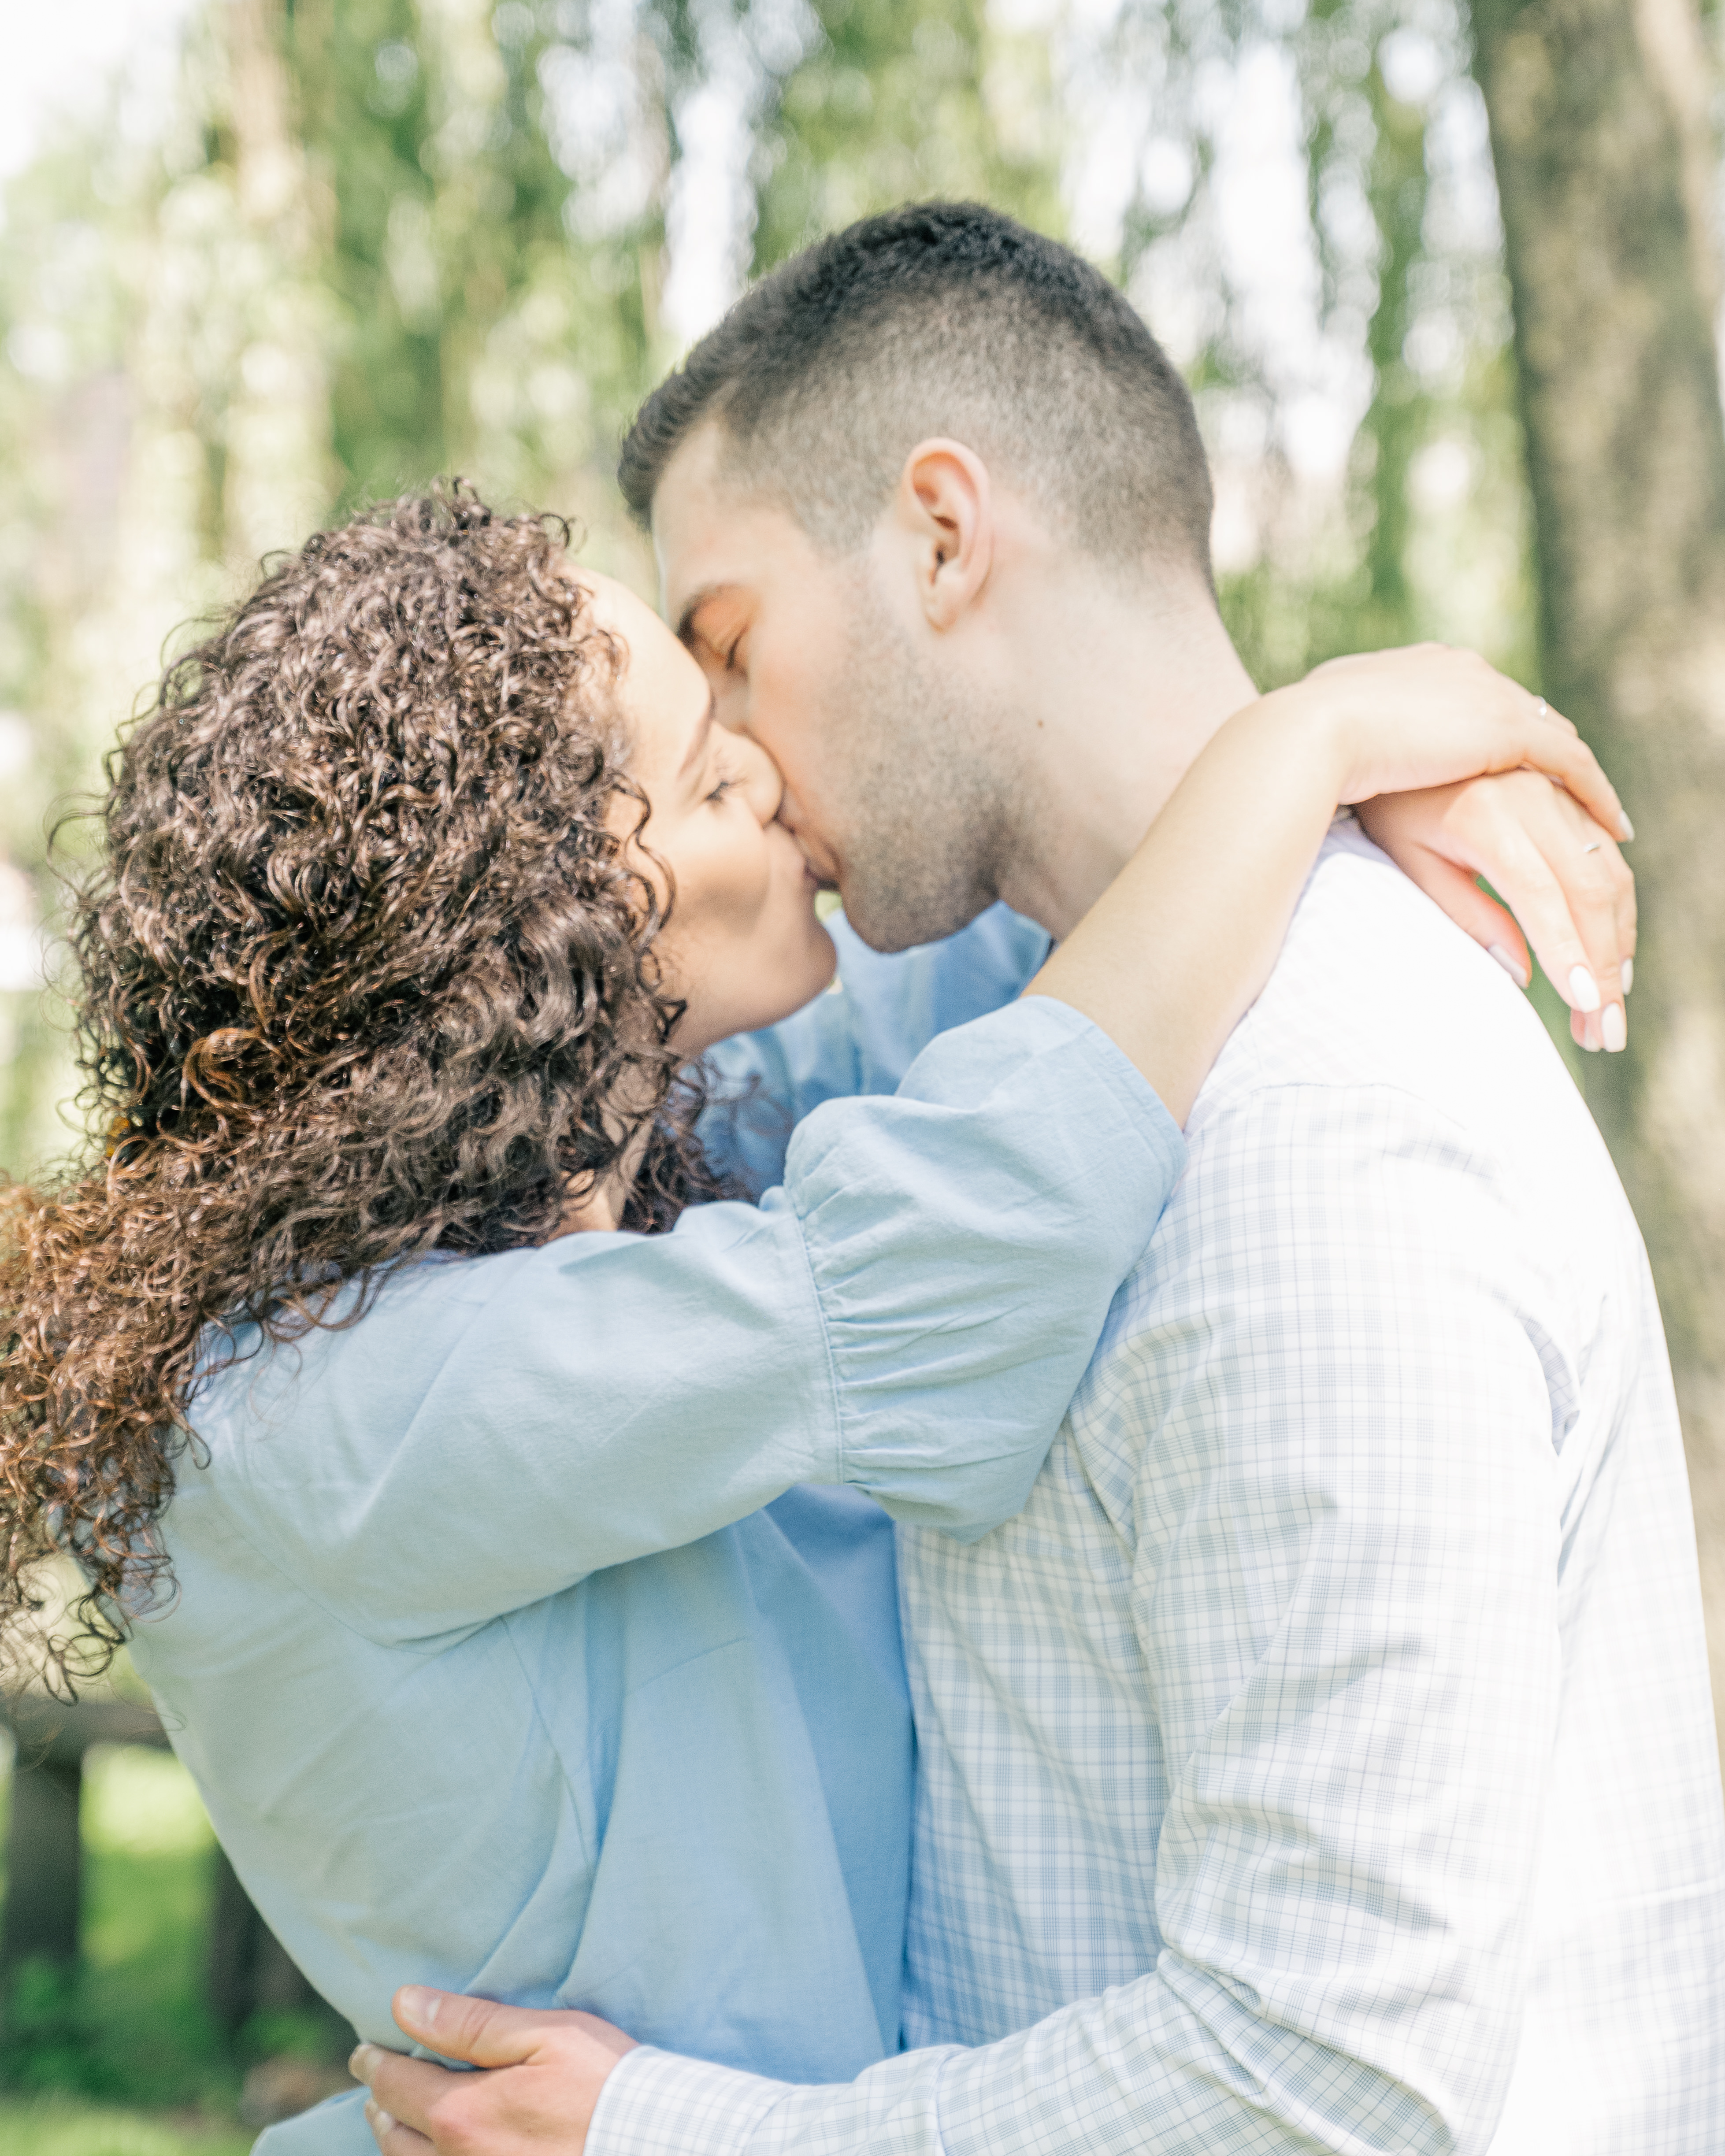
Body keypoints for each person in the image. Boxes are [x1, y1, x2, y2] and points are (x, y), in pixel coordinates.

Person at [0, 485, 1628, 2156]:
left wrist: (1337, 828)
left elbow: (1029, 942)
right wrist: (1307, 747)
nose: (773, 777)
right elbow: (975, 1218)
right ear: (546, 935)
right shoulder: (339, 1400)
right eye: (711, 774)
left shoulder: (627, 1178)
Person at [359, 206, 1723, 2156]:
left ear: (939, 532)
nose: (727, 765)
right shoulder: (1004, 1045)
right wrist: (1318, 739)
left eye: (732, 651)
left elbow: (1326, 2077)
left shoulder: (1322, 1127)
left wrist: (657, 2135)